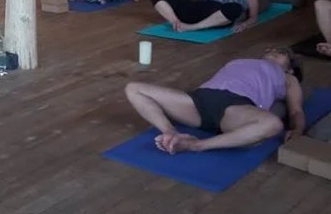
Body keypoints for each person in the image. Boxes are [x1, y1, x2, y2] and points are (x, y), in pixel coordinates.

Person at [125, 48, 305, 154]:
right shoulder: (244, 61)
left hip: (236, 106)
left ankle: (196, 145)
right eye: (270, 50)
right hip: (200, 99)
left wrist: (297, 130)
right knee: (133, 88)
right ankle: (170, 132)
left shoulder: (288, 78)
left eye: (280, 53)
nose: (273, 52)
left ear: (290, 68)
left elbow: (296, 110)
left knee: (273, 124)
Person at [149, 0, 259, 33]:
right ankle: (177, 23)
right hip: (198, 6)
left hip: (218, 13)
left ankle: (190, 27)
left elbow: (253, 17)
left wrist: (244, 24)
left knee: (235, 8)